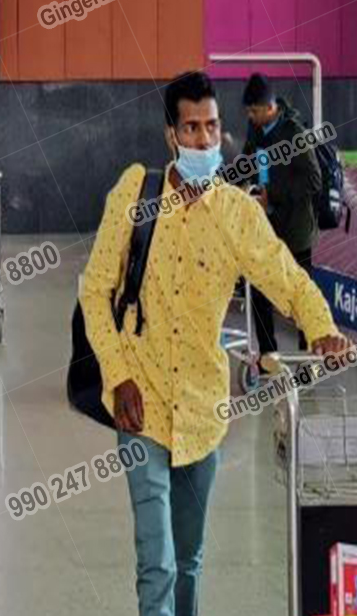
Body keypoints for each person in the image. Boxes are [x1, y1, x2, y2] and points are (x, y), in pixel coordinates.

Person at [80, 70, 347, 616]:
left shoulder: (236, 212)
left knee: (190, 560)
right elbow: (94, 289)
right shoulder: (135, 192)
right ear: (169, 135)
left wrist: (321, 325)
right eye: (191, 128)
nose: (204, 140)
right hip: (143, 407)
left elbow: (286, 277)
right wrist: (117, 374)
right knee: (156, 561)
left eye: (212, 127)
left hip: (204, 411)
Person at [241, 73, 321, 360]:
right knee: (259, 291)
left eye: (253, 111)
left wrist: (272, 194)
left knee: (301, 297)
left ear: (268, 106)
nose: (250, 117)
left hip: (295, 231)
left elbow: (313, 180)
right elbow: (247, 163)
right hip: (265, 228)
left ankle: (308, 356)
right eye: (248, 112)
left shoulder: (294, 133)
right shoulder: (256, 130)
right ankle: (268, 357)